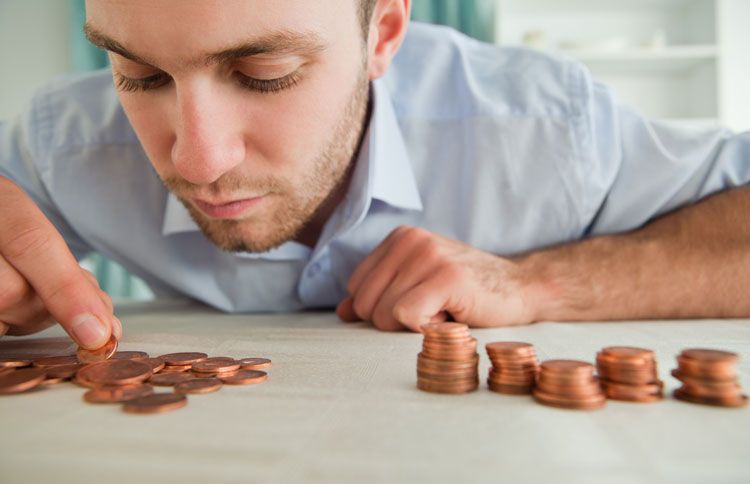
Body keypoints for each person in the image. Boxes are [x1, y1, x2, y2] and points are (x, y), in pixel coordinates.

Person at [1, 0, 749, 350]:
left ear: (382, 36)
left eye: (265, 74)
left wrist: (539, 281)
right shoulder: (59, 142)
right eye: (138, 75)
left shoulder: (550, 128)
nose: (196, 162)